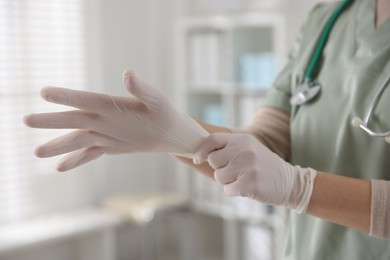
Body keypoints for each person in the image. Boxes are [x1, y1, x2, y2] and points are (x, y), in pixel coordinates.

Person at [23, 0, 390, 259]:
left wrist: (299, 188)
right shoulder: (325, 22)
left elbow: (282, 177)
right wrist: (177, 135)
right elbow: (264, 147)